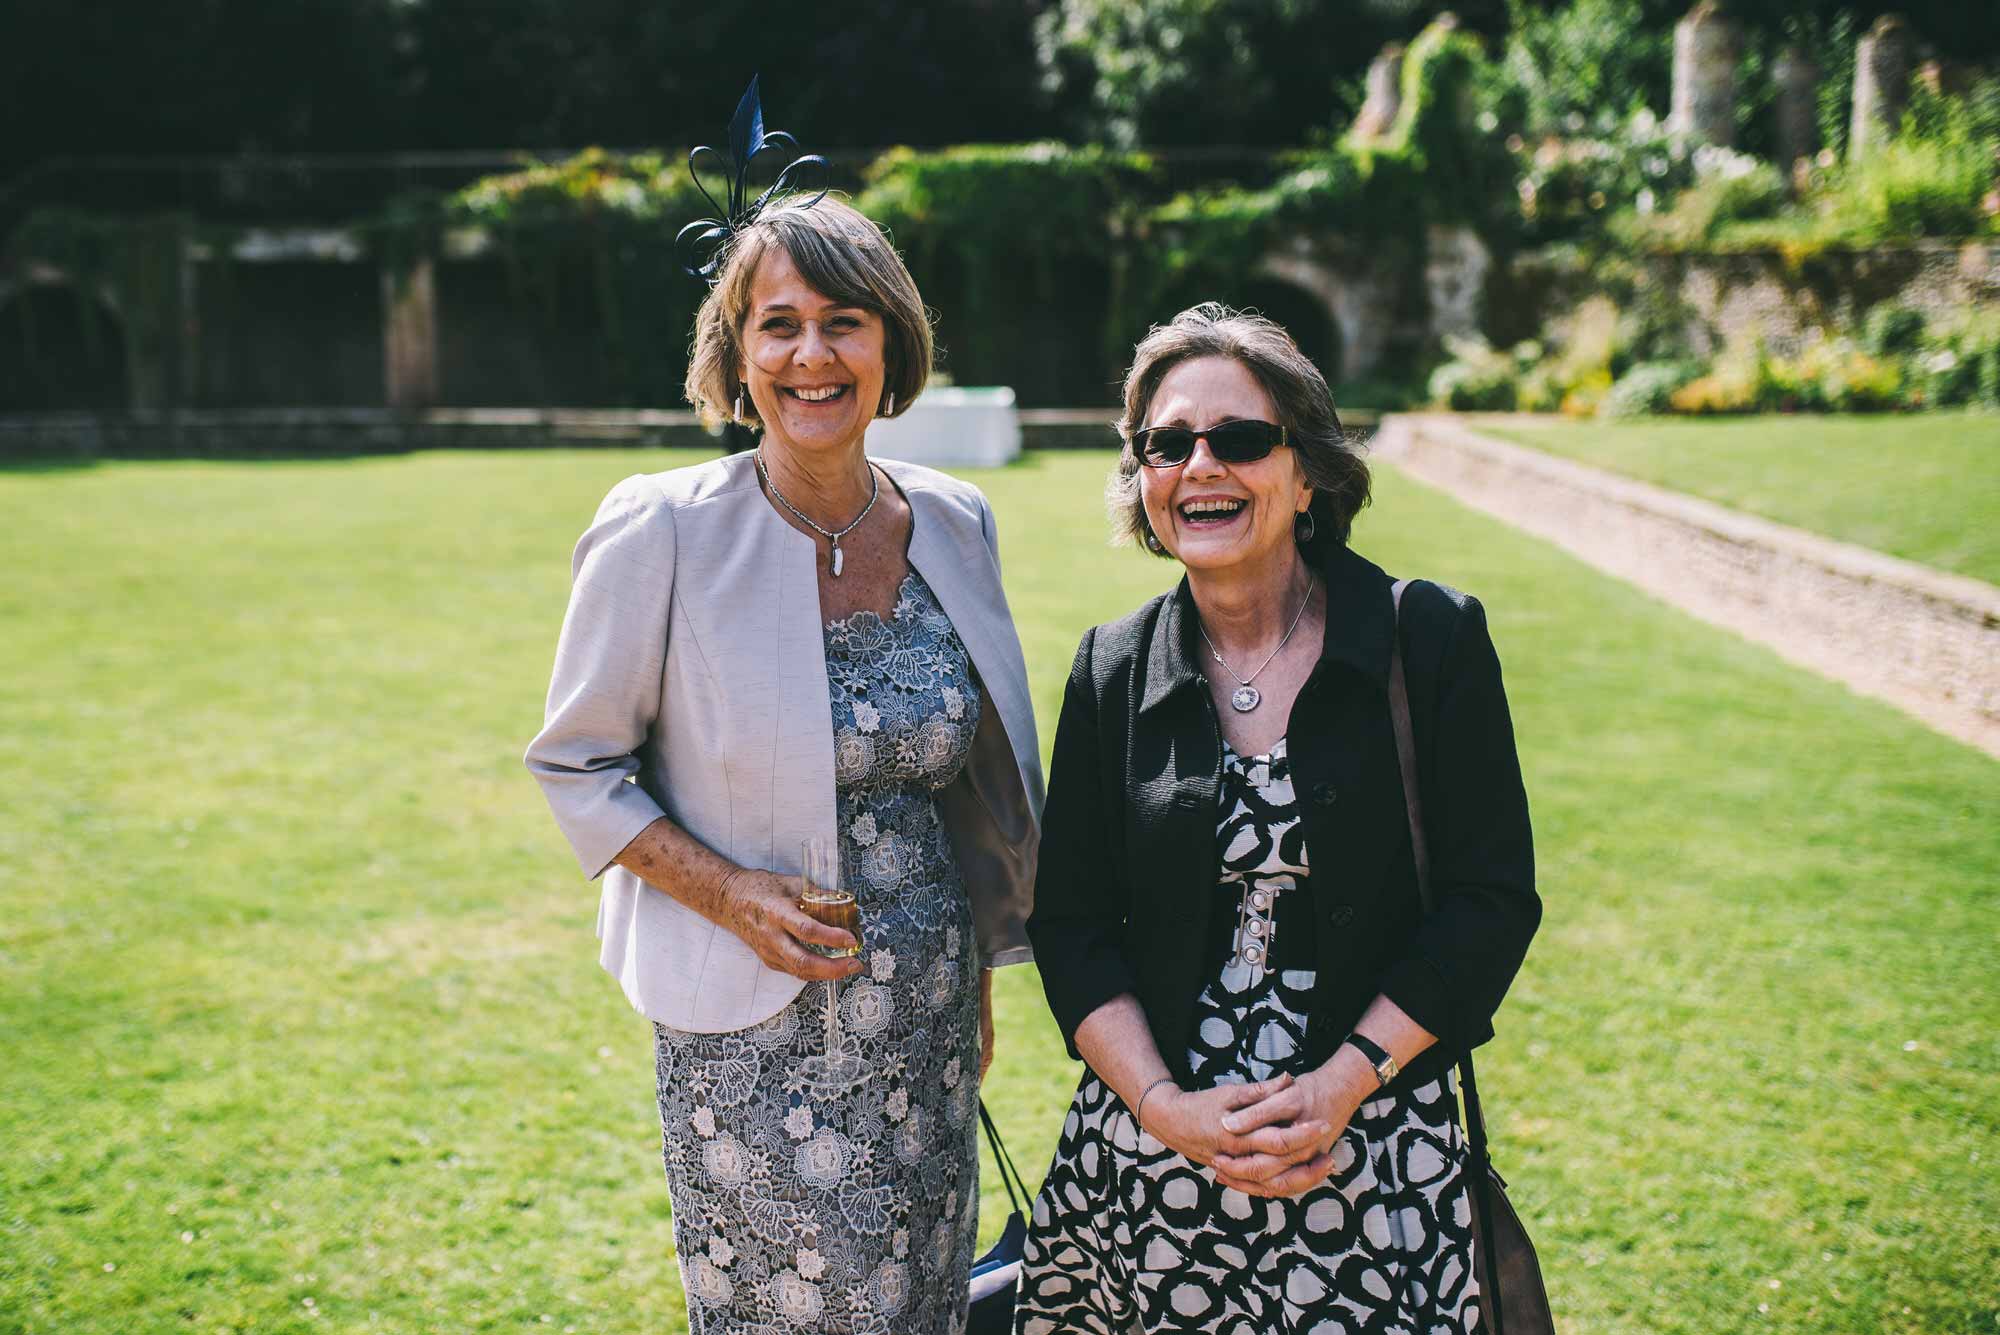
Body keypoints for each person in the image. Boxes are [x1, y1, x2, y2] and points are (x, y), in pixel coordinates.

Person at [524, 190, 1043, 1334]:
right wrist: (728, 892)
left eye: (844, 321)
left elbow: (969, 784)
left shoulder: (955, 520)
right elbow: (577, 763)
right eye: (778, 324)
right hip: (749, 1039)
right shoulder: (661, 526)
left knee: (922, 1304)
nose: (812, 355)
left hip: (927, 1021)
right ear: (736, 352)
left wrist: (975, 974)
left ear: (891, 343)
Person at [1015, 304, 1538, 1334]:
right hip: (1151, 1165)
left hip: (1369, 1152)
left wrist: (1342, 1084)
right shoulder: (1111, 668)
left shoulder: (1426, 638)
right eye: (1167, 444)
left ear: (1308, 474)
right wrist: (1163, 1107)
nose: (1199, 466)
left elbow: (1488, 904)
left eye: (1241, 438)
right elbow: (1070, 927)